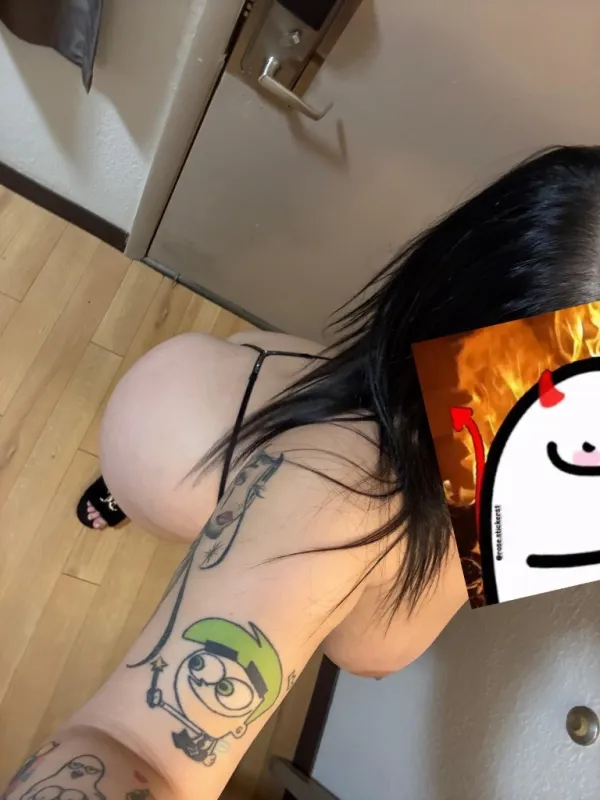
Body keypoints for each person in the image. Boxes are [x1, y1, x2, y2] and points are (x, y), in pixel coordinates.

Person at [5, 145, 600, 800]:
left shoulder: (517, 487)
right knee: (159, 489)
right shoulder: (341, 492)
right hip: (171, 432)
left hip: (274, 393)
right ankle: (123, 492)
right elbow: (138, 746)